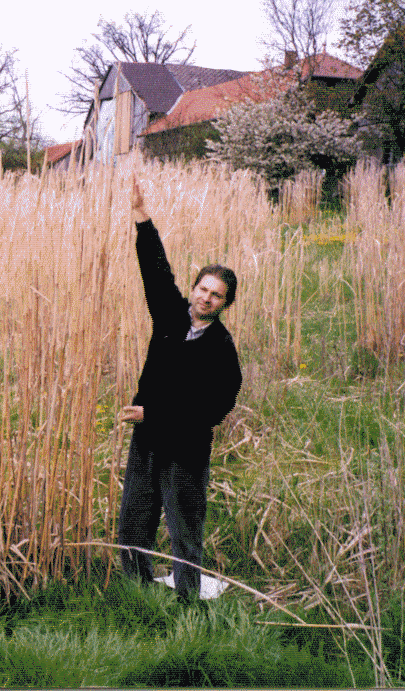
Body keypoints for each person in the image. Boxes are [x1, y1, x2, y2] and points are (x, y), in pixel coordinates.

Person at [117, 178, 242, 602]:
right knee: (134, 520)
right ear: (194, 289)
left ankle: (189, 602)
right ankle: (137, 591)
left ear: (225, 304)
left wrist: (153, 414)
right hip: (148, 440)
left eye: (216, 295)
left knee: (184, 529)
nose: (206, 298)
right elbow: (155, 270)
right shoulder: (172, 317)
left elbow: (212, 407)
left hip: (185, 449)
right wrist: (141, 217)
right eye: (203, 289)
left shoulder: (221, 349)